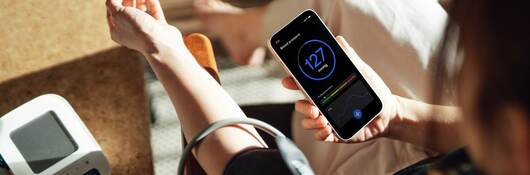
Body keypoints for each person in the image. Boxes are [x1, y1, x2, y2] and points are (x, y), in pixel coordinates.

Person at [106, 0, 530, 175]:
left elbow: (247, 169)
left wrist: (164, 51)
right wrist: (396, 114)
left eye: (470, 52)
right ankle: (249, 29)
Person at [196, 0, 447, 173]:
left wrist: (396, 117)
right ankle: (250, 29)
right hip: (467, 116)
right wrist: (393, 114)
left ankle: (247, 30)